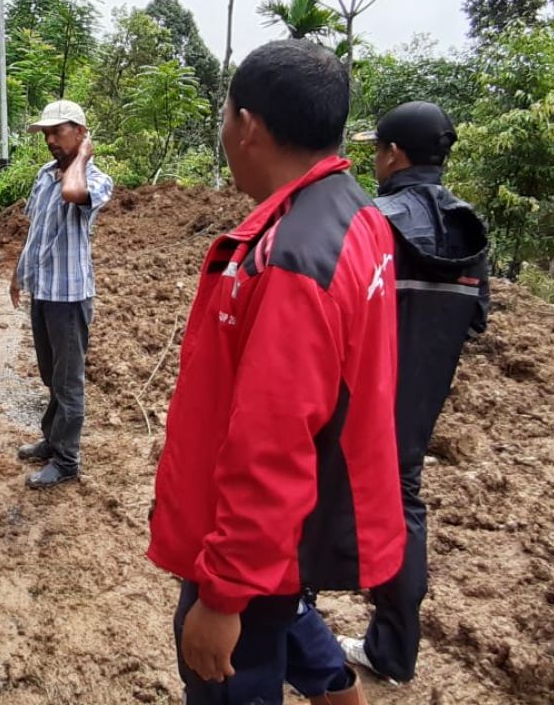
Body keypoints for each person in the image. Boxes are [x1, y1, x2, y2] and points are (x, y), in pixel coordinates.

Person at [146, 40, 405, 705]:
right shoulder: (355, 214)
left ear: (248, 125)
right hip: (294, 532)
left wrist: (223, 594)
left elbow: (273, 443)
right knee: (285, 609)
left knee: (224, 655)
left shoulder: (293, 261)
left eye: (226, 114)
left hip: (257, 543)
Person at [336, 102, 490, 685]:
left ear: (392, 154)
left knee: (310, 493)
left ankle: (285, 631)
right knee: (403, 506)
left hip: (353, 402)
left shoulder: (372, 221)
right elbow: (474, 321)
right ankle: (393, 651)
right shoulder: (470, 230)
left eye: (377, 150)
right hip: (416, 411)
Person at [10, 100, 114, 490]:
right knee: (50, 374)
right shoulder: (42, 175)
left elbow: (74, 193)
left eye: (58, 132)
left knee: (69, 383)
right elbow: (35, 230)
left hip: (70, 298)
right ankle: (52, 440)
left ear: (81, 133)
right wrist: (18, 275)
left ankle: (67, 460)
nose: (50, 140)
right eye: (46, 134)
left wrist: (83, 157)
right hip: (44, 292)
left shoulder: (96, 179)